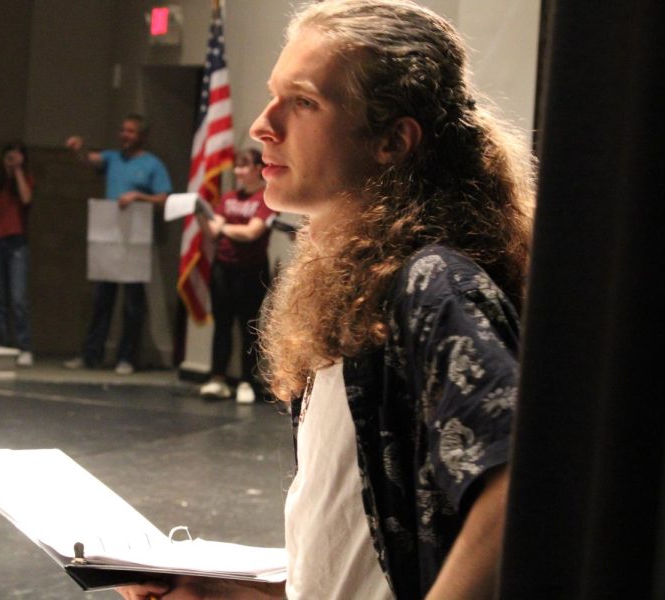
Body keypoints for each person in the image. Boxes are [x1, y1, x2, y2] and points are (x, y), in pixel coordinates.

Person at [118, 0, 534, 598]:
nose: (263, 125)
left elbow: (522, 478)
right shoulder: (362, 289)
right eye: (273, 94)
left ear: (392, 141)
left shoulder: (432, 282)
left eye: (305, 102)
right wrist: (214, 592)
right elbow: (355, 567)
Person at [64, 114, 172, 375]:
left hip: (135, 242)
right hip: (109, 241)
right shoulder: (113, 158)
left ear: (142, 136)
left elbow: (164, 198)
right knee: (102, 300)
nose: (125, 135)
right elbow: (89, 160)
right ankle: (92, 354)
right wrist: (79, 149)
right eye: (123, 130)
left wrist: (138, 196)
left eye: (131, 131)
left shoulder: (152, 164)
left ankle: (127, 357)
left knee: (133, 304)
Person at [196, 148, 275, 404]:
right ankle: (217, 379)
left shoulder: (266, 198)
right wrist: (199, 215)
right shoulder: (228, 197)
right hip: (223, 268)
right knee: (222, 324)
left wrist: (223, 227)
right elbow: (211, 232)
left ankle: (246, 382)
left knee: (248, 327)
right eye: (237, 167)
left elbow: (252, 232)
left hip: (252, 271)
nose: (239, 172)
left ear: (257, 169)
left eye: (244, 166)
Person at [0, 142, 35, 366]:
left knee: (18, 297)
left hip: (17, 243)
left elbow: (26, 199)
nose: (12, 160)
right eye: (9, 157)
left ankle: (24, 347)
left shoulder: (25, 179)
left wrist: (18, 171)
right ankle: (4, 344)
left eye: (16, 156)